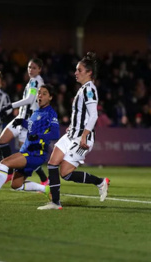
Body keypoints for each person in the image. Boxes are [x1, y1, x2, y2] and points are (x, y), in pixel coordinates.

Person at [38, 52, 110, 210]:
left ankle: (99, 182)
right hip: (71, 135)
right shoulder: (83, 89)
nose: (75, 73)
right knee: (51, 164)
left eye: (79, 70)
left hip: (81, 138)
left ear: (89, 72)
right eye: (76, 70)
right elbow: (81, 114)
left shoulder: (89, 90)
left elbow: (94, 115)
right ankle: (55, 203)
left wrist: (84, 135)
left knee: (65, 173)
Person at [0, 84, 60, 204]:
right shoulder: (37, 111)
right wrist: (23, 122)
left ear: (50, 97)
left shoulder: (50, 114)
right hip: (28, 151)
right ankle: (46, 188)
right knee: (16, 185)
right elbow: (33, 128)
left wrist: (39, 136)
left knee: (4, 163)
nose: (40, 95)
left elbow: (55, 134)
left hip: (35, 154)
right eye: (39, 93)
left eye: (44, 93)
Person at [0, 58, 49, 185]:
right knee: (2, 140)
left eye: (34, 68)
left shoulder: (37, 82)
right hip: (20, 118)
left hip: (28, 122)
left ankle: (44, 180)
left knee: (25, 155)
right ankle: (9, 172)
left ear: (40, 69)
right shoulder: (32, 81)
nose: (31, 70)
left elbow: (29, 100)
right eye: (29, 67)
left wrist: (9, 106)